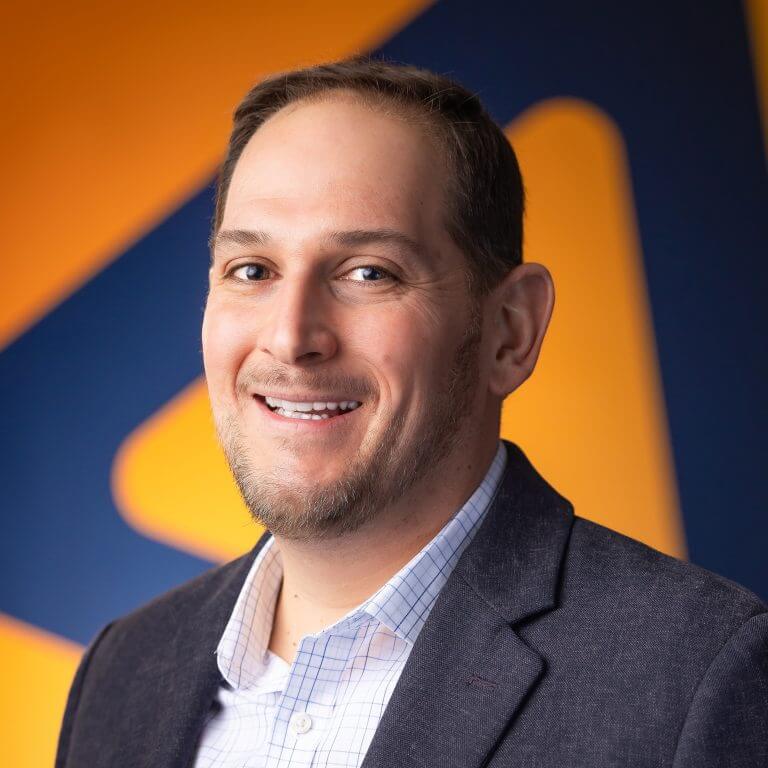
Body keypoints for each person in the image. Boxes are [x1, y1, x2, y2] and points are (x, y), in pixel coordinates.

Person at [55, 58, 767, 768]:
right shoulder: (124, 674)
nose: (290, 337)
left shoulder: (697, 679)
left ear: (510, 329)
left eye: (369, 272)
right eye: (253, 271)